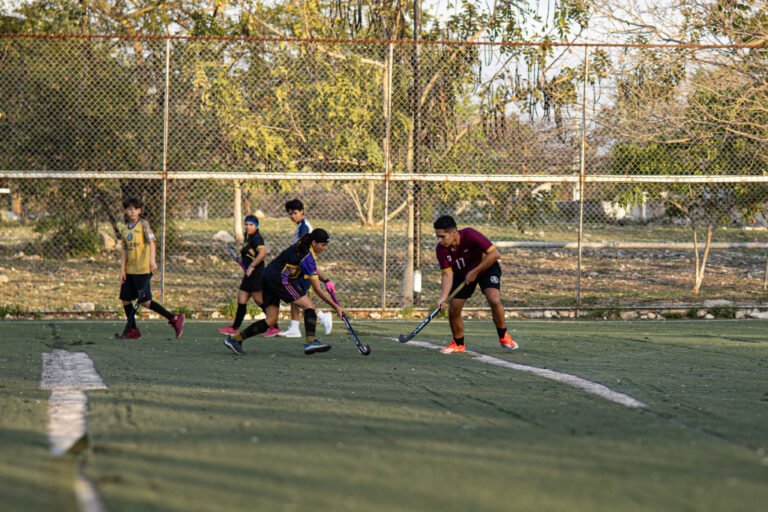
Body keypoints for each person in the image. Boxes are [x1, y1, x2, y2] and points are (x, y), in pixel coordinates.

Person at [223, 229, 343, 356]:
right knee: (309, 306)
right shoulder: (307, 256)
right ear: (314, 242)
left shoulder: (304, 244)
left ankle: (235, 339)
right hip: (278, 279)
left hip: (268, 276)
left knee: (271, 320)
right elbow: (317, 290)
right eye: (323, 245)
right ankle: (311, 341)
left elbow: (312, 269)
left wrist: (326, 280)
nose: (325, 248)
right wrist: (336, 306)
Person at [433, 215, 518, 353]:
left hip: (486, 268)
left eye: (442, 236)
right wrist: (443, 297)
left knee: (494, 299)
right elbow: (447, 274)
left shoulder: (470, 234)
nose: (439, 240)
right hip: (462, 274)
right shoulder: (441, 249)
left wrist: (475, 271)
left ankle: (504, 336)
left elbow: (495, 254)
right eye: (438, 236)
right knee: (454, 308)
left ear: (453, 232)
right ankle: (458, 343)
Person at [116, 197, 184, 340]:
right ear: (125, 211)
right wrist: (122, 270)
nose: (132, 211)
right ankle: (133, 330)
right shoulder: (125, 228)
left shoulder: (144, 225)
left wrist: (152, 261)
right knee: (125, 299)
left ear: (139, 211)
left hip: (142, 269)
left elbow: (152, 243)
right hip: (129, 270)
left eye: (135, 209)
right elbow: (125, 250)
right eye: (129, 209)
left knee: (145, 301)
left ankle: (174, 318)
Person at [277, 199, 333, 338]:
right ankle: (294, 328)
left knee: (298, 296)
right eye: (290, 214)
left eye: (295, 213)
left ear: (302, 212)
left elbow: (302, 250)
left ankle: (322, 316)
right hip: (300, 266)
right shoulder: (301, 226)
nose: (292, 216)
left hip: (302, 268)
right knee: (295, 297)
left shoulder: (304, 228)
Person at [217, 215, 281, 337]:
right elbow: (251, 254)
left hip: (256, 274)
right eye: (246, 224)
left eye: (251, 225)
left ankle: (274, 326)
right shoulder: (249, 237)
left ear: (256, 226)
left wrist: (251, 266)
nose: (248, 227)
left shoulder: (257, 238)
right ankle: (235, 328)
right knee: (241, 299)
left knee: (259, 300)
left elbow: (263, 253)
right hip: (249, 275)